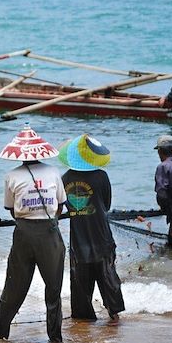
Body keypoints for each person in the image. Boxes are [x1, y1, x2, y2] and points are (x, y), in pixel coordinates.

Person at [0, 123, 66, 343]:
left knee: (15, 284)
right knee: (53, 288)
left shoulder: (12, 176)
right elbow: (62, 204)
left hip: (23, 232)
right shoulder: (53, 172)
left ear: (19, 155)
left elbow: (11, 209)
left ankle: (2, 331)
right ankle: (55, 337)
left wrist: (27, 219)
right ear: (40, 151)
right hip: (49, 233)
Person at [59, 134, 125, 325]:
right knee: (107, 276)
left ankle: (82, 318)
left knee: (80, 280)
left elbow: (64, 207)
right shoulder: (101, 176)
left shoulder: (65, 178)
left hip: (78, 238)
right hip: (101, 234)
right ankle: (114, 314)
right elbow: (107, 204)